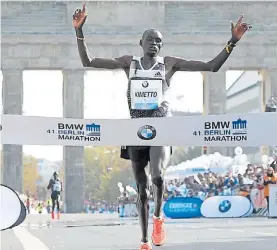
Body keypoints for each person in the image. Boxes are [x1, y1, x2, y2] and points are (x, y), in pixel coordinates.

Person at [73, 4, 251, 249]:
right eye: (150, 39)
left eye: (158, 41)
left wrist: (233, 41)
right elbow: (89, 61)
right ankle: (145, 240)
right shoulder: (129, 63)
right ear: (141, 42)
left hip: (161, 126)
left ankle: (158, 217)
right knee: (141, 189)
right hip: (136, 128)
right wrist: (79, 32)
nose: (154, 44)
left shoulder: (168, 64)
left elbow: (212, 66)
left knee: (157, 176)